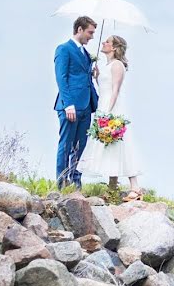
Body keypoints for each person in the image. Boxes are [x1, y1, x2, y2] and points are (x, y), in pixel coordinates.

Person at [78, 34, 143, 200]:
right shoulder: (106, 65)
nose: (104, 43)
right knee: (109, 147)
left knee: (121, 144)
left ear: (114, 47)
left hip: (112, 108)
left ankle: (135, 188)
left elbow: (115, 90)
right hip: (103, 105)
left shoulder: (117, 65)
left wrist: (108, 113)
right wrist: (97, 76)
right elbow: (104, 88)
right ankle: (112, 187)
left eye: (107, 41)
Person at [53, 16, 99, 189]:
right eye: (90, 32)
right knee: (66, 145)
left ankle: (75, 182)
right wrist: (68, 104)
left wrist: (92, 72)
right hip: (70, 106)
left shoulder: (86, 54)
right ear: (79, 29)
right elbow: (61, 78)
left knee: (81, 147)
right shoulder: (64, 49)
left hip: (87, 106)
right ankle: (61, 184)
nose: (92, 36)